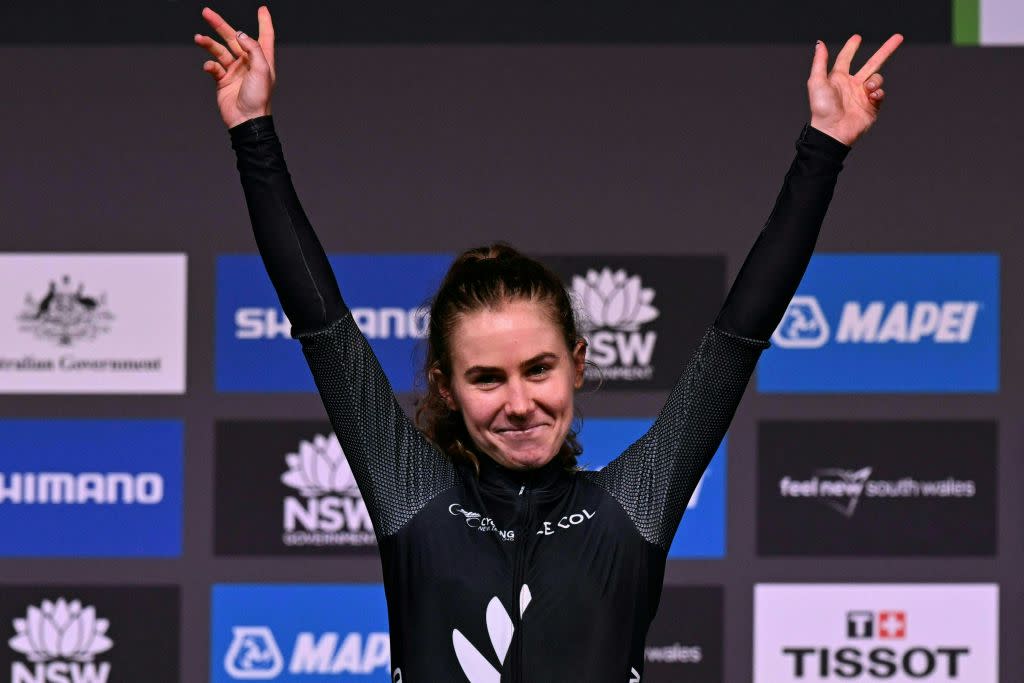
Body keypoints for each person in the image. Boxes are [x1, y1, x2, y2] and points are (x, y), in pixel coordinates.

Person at [195, 7, 902, 681]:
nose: (520, 402)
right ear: (446, 386)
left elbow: (737, 338)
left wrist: (825, 146)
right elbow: (323, 327)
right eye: (487, 378)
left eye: (539, 369)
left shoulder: (633, 506)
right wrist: (251, 128)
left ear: (579, 364)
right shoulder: (412, 493)